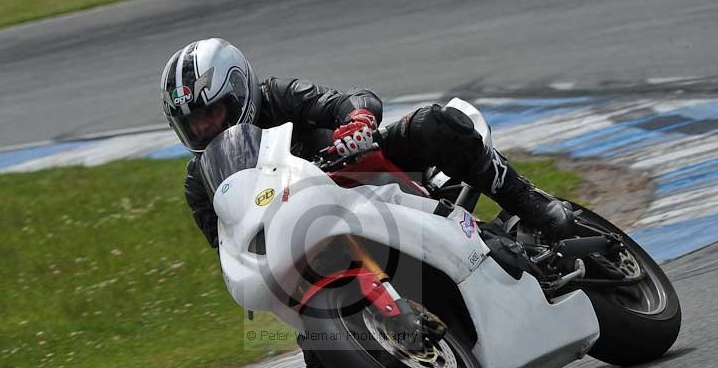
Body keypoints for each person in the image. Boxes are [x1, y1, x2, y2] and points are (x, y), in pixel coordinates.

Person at [161, 38, 574, 250]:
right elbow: (227, 247)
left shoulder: (277, 96)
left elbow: (346, 101)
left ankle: (530, 204)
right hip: (309, 230)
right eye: (192, 124)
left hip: (362, 174)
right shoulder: (201, 180)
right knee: (318, 345)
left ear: (238, 89)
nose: (205, 129)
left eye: (209, 113)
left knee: (435, 124)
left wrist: (356, 122)